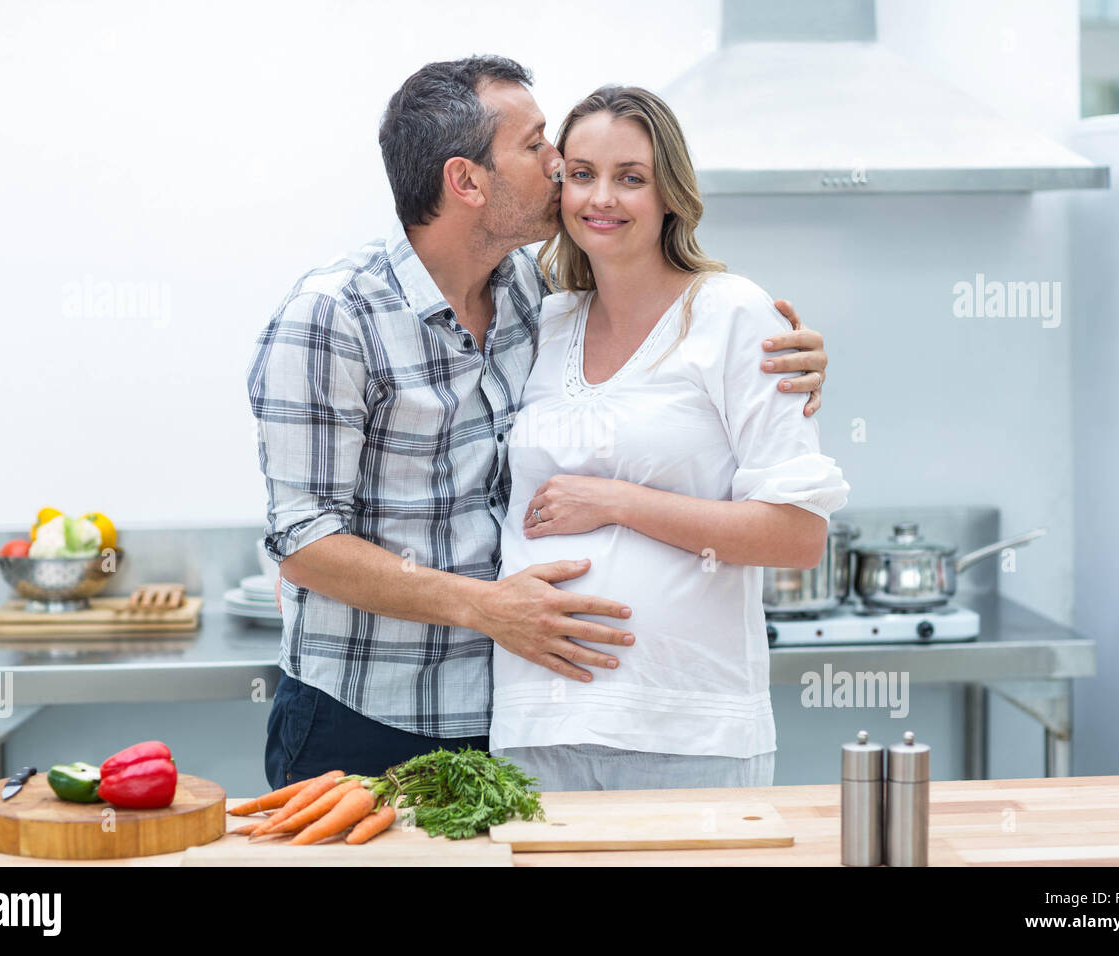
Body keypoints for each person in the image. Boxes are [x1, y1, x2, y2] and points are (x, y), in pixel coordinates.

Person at [247, 56, 833, 787]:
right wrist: (491, 610)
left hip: (504, 717)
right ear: (467, 181)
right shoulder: (333, 315)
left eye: (621, 173)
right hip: (366, 713)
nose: (558, 167)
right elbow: (303, 540)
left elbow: (663, 321)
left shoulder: (536, 295)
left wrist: (785, 357)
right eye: (537, 147)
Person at [488, 86, 850, 791]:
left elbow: (798, 536)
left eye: (632, 178)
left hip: (688, 727)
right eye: (583, 174)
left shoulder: (731, 314)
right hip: (537, 722)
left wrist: (618, 501)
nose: (603, 198)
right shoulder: (539, 322)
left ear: (670, 196)